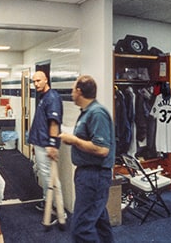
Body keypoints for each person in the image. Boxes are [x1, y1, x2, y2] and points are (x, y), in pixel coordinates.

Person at [59, 75, 114, 243]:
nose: (71, 93)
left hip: (94, 176)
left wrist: (74, 140)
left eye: (72, 90)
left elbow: (102, 149)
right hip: (87, 174)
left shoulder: (97, 113)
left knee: (81, 227)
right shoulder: (87, 112)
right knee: (99, 222)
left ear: (79, 91)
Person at [27, 71, 64, 215]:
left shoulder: (52, 97)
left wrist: (52, 144)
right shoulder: (44, 97)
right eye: (34, 81)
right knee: (45, 175)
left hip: (46, 144)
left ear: (46, 80)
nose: (36, 84)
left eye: (38, 80)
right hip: (40, 143)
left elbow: (54, 122)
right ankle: (47, 202)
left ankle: (59, 211)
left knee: (50, 176)